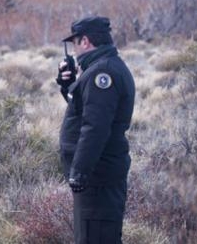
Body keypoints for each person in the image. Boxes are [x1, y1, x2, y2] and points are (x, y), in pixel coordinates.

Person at [56, 16, 135, 243]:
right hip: (97, 174)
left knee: (96, 238)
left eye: (75, 43)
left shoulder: (103, 74)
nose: (74, 50)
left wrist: (80, 171)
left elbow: (95, 127)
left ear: (85, 41)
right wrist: (67, 86)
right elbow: (86, 111)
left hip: (97, 177)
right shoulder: (101, 69)